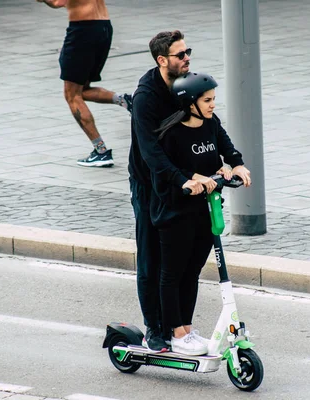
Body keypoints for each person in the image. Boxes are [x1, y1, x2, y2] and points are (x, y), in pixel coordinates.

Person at [151, 72, 251, 355]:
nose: (212, 105)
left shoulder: (211, 124)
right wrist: (193, 178)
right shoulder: (171, 134)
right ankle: (175, 332)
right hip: (174, 213)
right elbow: (166, 172)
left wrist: (237, 165)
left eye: (213, 99)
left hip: (204, 211)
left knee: (192, 271)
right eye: (207, 100)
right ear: (189, 103)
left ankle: (187, 327)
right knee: (173, 273)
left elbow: (227, 149)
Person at [128, 30, 193, 352]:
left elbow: (207, 123)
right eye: (180, 55)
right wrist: (179, 179)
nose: (187, 58)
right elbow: (150, 152)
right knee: (151, 257)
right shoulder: (146, 97)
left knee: (178, 259)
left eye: (188, 52)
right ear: (161, 60)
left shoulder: (186, 85)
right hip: (149, 185)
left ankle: (178, 324)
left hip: (179, 181)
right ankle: (154, 327)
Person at [37, 0, 133, 167]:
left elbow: (59, 2)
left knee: (71, 95)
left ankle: (101, 152)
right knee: (82, 90)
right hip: (104, 26)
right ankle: (126, 100)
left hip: (83, 30)